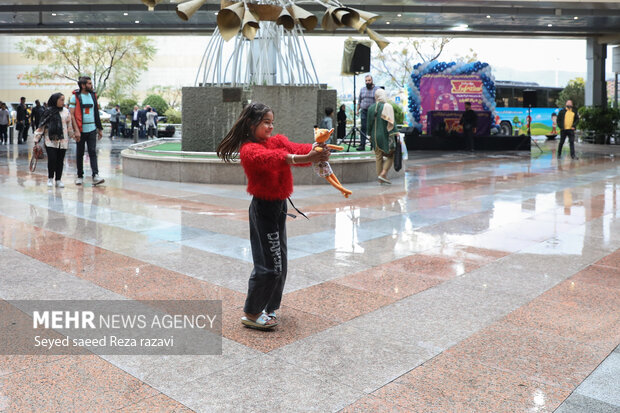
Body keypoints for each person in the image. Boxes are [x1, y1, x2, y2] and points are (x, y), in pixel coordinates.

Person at [216, 102, 329, 330]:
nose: (270, 126)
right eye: (266, 122)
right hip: (263, 209)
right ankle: (251, 312)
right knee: (270, 264)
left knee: (280, 261)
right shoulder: (249, 150)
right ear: (251, 123)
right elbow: (275, 159)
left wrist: (316, 150)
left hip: (278, 207)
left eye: (271, 122)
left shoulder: (276, 140)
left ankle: (268, 307)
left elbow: (296, 149)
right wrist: (303, 157)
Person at [33, 93, 75, 188]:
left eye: (64, 100)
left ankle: (58, 180)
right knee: (52, 159)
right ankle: (50, 178)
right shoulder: (47, 112)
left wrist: (73, 135)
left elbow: (69, 126)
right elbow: (41, 126)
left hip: (63, 141)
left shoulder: (65, 112)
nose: (63, 102)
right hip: (50, 141)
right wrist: (36, 139)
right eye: (61, 100)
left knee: (60, 161)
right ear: (55, 100)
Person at [69, 76, 104, 185]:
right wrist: (76, 130)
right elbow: (72, 115)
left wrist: (99, 128)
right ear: (83, 85)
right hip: (80, 129)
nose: (91, 85)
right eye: (89, 83)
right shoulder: (75, 97)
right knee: (80, 153)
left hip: (92, 129)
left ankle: (95, 175)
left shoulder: (93, 95)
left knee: (93, 152)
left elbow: (96, 113)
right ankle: (80, 175)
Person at [367, 88, 398, 184]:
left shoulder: (371, 108)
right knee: (392, 155)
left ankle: (380, 180)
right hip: (384, 135)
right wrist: (395, 133)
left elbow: (369, 125)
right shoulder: (387, 106)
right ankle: (383, 174)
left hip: (374, 136)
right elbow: (391, 122)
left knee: (378, 157)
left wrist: (370, 135)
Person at [356, 74, 378, 151]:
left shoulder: (377, 89)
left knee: (373, 128)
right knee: (363, 128)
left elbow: (378, 101)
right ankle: (362, 145)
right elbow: (359, 101)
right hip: (364, 111)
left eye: (369, 80)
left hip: (373, 112)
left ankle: (373, 145)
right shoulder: (362, 89)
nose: (367, 82)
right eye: (366, 81)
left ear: (372, 80)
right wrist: (357, 110)